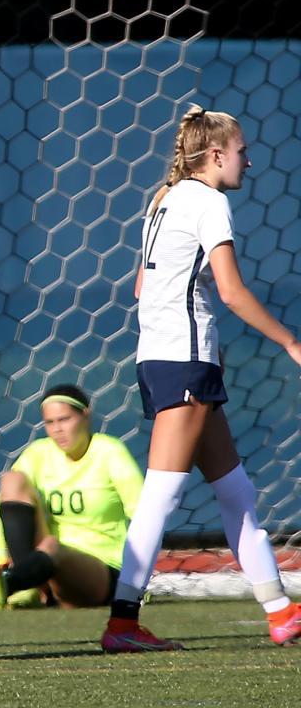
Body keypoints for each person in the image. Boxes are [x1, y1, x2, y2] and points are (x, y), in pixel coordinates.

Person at [101, 105, 301, 653]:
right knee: (160, 497)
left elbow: (143, 286)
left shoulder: (163, 200)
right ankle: (122, 623)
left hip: (170, 357)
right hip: (184, 359)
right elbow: (232, 291)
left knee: (235, 489)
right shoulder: (208, 201)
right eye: (241, 151)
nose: (248, 160)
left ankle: (282, 611)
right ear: (215, 155)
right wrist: (290, 342)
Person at [0, 385, 143, 611]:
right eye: (50, 423)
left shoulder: (109, 451)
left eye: (64, 419)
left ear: (85, 415)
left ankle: (10, 584)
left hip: (100, 572)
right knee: (12, 480)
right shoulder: (38, 453)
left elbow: (144, 516)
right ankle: (23, 584)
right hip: (44, 567)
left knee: (54, 546)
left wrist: (137, 581)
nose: (57, 430)